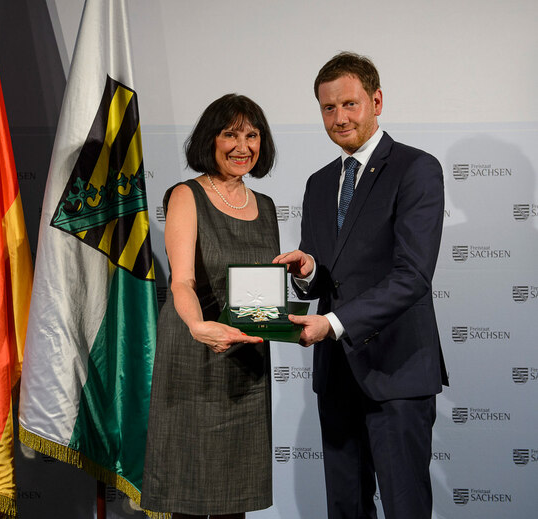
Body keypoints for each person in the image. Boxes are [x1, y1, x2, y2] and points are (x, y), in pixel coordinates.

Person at [275, 52, 448, 519]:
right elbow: (327, 278)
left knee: (404, 507)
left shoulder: (416, 168)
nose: (340, 118)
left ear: (376, 101)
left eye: (349, 104)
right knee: (344, 508)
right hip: (337, 379)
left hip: (397, 373)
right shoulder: (318, 183)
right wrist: (308, 270)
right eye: (328, 108)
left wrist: (331, 324)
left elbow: (412, 276)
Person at [141, 94, 279, 519]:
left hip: (247, 357)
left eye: (252, 135)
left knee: (233, 496)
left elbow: (261, 291)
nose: (243, 146)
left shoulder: (268, 206)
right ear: (210, 139)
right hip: (195, 351)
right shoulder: (186, 195)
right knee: (187, 491)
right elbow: (180, 280)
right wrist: (199, 326)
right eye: (230, 134)